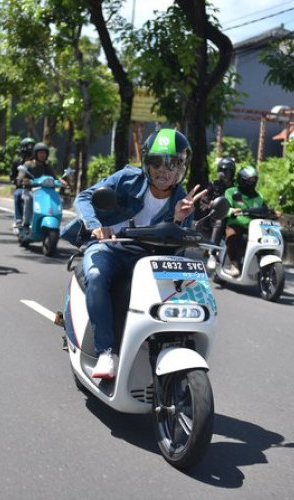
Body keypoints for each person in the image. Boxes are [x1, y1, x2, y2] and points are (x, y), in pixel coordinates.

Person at [60, 128, 206, 379]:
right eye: (157, 162)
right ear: (146, 163)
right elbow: (85, 197)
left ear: (182, 167)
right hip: (112, 247)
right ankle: (106, 351)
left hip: (148, 257)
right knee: (95, 275)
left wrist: (179, 219)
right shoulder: (127, 178)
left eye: (172, 164)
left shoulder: (184, 201)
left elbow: (177, 245)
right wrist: (96, 226)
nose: (163, 170)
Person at [223, 166, 267, 277]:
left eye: (253, 180)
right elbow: (225, 207)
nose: (251, 182)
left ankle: (264, 267)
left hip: (255, 227)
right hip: (236, 223)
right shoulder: (231, 192)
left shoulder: (259, 197)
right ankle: (233, 264)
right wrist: (232, 211)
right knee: (234, 234)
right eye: (249, 180)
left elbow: (265, 209)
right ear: (241, 180)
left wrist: (273, 213)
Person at [199, 157, 236, 269]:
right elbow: (203, 201)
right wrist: (210, 204)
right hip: (215, 216)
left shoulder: (236, 187)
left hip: (232, 215)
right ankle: (213, 253)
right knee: (220, 220)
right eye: (222, 170)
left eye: (227, 171)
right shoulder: (213, 184)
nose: (223, 173)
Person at [16, 142, 56, 228]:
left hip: (44, 191)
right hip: (30, 190)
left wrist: (61, 182)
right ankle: (26, 223)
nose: (42, 155)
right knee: (29, 198)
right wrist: (22, 180)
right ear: (35, 153)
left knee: (55, 198)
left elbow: (54, 178)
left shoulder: (47, 166)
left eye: (44, 153)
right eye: (40, 153)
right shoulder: (28, 164)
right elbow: (21, 175)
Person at [11, 137, 36, 226]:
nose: (30, 148)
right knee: (17, 194)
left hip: (36, 187)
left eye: (32, 146)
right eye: (28, 146)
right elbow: (13, 176)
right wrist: (17, 181)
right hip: (22, 187)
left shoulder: (37, 162)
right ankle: (18, 218)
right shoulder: (17, 162)